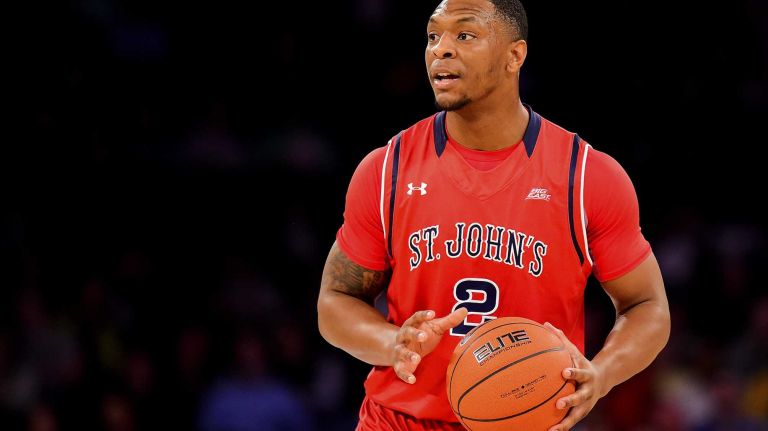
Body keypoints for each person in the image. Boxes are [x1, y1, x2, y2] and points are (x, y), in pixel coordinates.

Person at [317, 0, 671, 430]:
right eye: (433, 36)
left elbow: (648, 305)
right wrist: (393, 342)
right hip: (398, 420)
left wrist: (602, 373)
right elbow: (335, 302)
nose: (441, 49)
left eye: (464, 35)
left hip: (528, 419)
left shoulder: (586, 176)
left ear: (514, 56)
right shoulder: (387, 169)